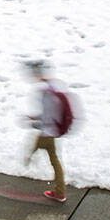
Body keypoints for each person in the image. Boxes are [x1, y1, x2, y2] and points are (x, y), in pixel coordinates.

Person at [22, 61, 76, 203]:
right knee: (52, 156)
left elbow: (48, 114)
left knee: (52, 158)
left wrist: (35, 122)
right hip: (53, 130)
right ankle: (29, 159)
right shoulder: (54, 86)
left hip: (48, 131)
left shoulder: (45, 92)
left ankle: (59, 192)